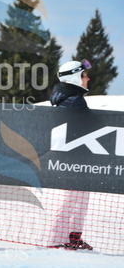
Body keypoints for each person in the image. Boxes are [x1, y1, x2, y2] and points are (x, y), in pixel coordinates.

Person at [50, 59, 93, 250]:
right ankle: (57, 239)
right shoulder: (74, 101)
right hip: (73, 157)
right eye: (84, 75)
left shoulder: (70, 98)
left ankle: (73, 236)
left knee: (80, 196)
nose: (87, 79)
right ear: (75, 77)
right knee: (71, 198)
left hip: (78, 156)